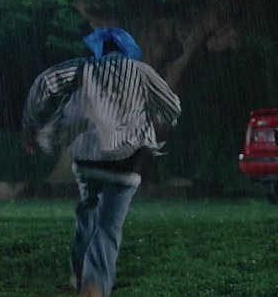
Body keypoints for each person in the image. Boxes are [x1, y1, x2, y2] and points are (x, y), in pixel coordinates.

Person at [22, 27, 181, 297]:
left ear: (99, 50)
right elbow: (172, 107)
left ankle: (80, 273)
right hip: (125, 160)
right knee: (109, 227)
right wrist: (155, 117)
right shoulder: (141, 72)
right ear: (128, 50)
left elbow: (45, 82)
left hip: (86, 157)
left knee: (88, 211)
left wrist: (33, 123)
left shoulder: (82, 68)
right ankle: (94, 284)